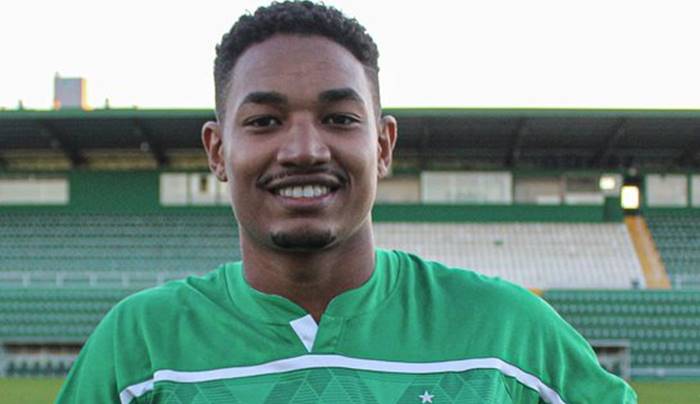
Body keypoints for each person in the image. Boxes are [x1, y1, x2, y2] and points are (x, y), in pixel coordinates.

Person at [57, 2, 637, 403]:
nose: (304, 150)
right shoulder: (140, 344)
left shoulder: (507, 332)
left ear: (382, 146)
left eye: (339, 118)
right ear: (217, 151)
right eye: (264, 121)